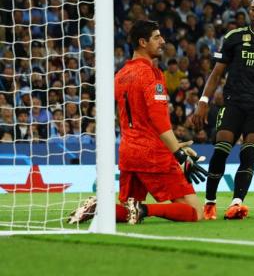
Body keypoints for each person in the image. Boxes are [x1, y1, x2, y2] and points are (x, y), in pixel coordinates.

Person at [68, 20, 207, 226]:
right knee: (196, 211)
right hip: (153, 155)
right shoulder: (151, 74)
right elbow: (158, 120)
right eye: (157, 37)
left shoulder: (120, 75)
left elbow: (120, 115)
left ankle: (99, 207)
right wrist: (177, 153)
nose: (163, 41)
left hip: (128, 151)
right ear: (143, 42)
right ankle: (144, 209)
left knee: (127, 210)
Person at [190, 0, 254, 220]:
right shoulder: (234, 37)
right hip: (234, 103)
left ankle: (237, 203)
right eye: (253, 9)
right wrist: (203, 102)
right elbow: (216, 73)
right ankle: (210, 203)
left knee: (248, 150)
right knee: (221, 148)